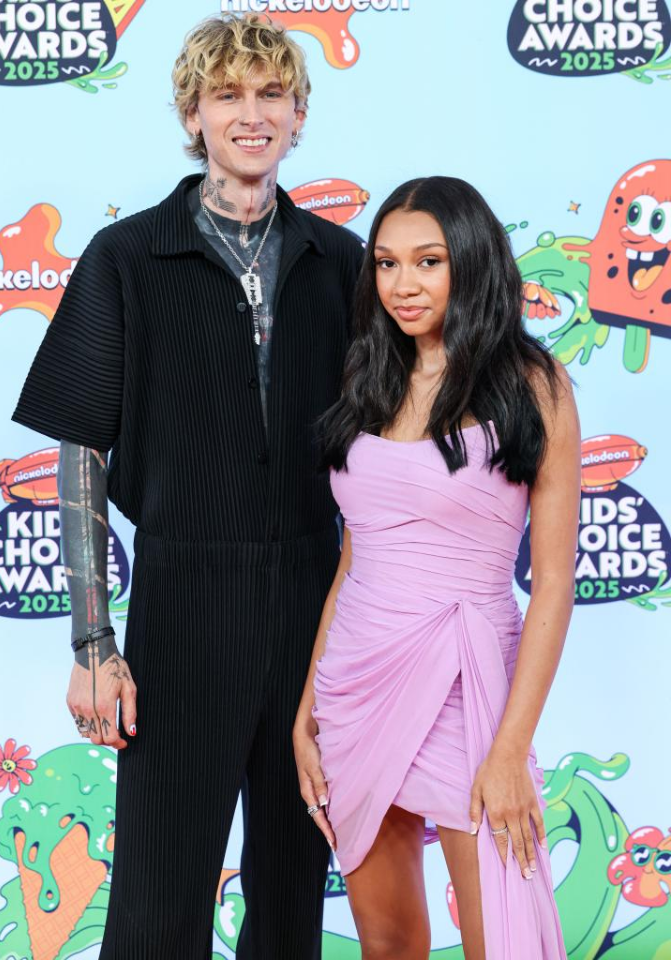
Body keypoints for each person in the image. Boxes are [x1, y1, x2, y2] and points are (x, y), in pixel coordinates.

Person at [11, 14, 363, 959]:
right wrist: (94, 642)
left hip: (315, 597)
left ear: (297, 113)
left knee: (294, 889)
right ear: (193, 113)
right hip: (180, 600)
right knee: (162, 900)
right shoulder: (125, 260)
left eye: (270, 95)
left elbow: (392, 448)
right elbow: (80, 452)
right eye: (227, 95)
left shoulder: (343, 262)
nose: (251, 115)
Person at [293, 177, 580, 959]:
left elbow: (554, 581)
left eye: (428, 261)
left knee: (502, 938)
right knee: (387, 942)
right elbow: (354, 558)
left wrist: (512, 750)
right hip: (356, 684)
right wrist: (309, 706)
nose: (403, 284)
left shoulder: (533, 384)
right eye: (386, 264)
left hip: (469, 684)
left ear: (474, 264)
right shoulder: (369, 378)